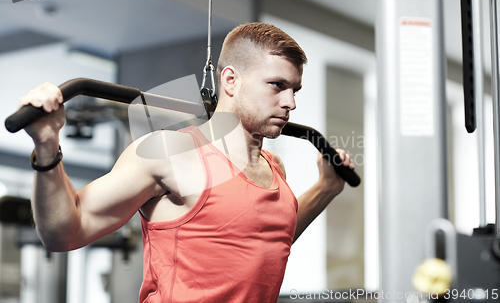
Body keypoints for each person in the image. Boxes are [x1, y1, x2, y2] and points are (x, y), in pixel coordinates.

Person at [18, 23, 354, 303]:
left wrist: (326, 188)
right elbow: (64, 233)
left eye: (295, 89)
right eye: (277, 86)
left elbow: (265, 240)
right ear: (230, 80)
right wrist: (47, 144)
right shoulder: (171, 153)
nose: (290, 103)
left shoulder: (274, 166)